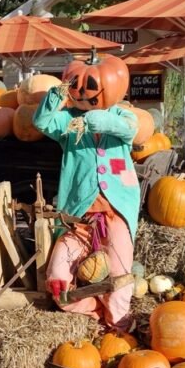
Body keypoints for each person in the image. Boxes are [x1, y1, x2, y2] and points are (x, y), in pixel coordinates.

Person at [33, 83, 140, 329]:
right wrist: (58, 92)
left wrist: (91, 120)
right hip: (78, 222)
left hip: (116, 216)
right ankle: (93, 308)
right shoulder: (68, 122)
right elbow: (42, 121)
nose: (85, 90)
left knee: (120, 276)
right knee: (57, 281)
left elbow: (127, 129)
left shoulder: (122, 115)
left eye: (91, 84)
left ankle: (118, 326)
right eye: (78, 84)